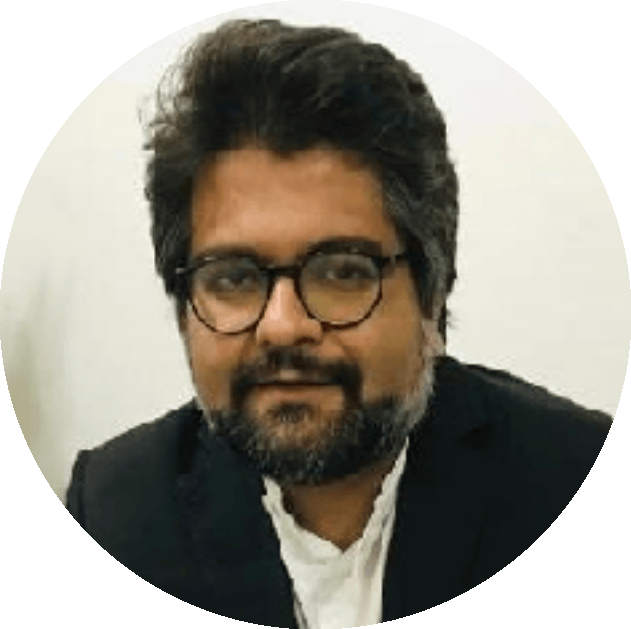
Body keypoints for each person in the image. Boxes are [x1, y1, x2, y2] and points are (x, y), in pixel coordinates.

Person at [66, 19, 611, 627]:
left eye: (342, 272)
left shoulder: (580, 485)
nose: (281, 327)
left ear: (432, 296)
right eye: (234, 278)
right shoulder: (114, 517)